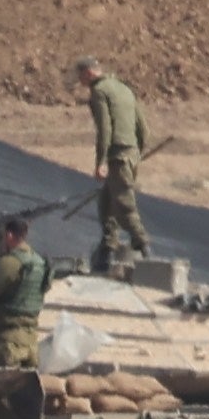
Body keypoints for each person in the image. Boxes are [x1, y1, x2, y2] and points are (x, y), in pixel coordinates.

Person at [77, 58, 150, 274]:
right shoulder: (124, 89)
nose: (80, 80)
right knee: (106, 204)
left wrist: (101, 162)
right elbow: (144, 130)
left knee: (124, 205)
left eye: (80, 75)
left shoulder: (100, 91)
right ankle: (108, 249)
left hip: (117, 156)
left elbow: (105, 130)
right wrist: (136, 153)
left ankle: (144, 246)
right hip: (130, 154)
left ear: (89, 73)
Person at [0, 214, 51, 370]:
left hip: (8, 337)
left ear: (9, 235)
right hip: (30, 336)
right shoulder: (39, 262)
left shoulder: (11, 262)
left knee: (2, 385)